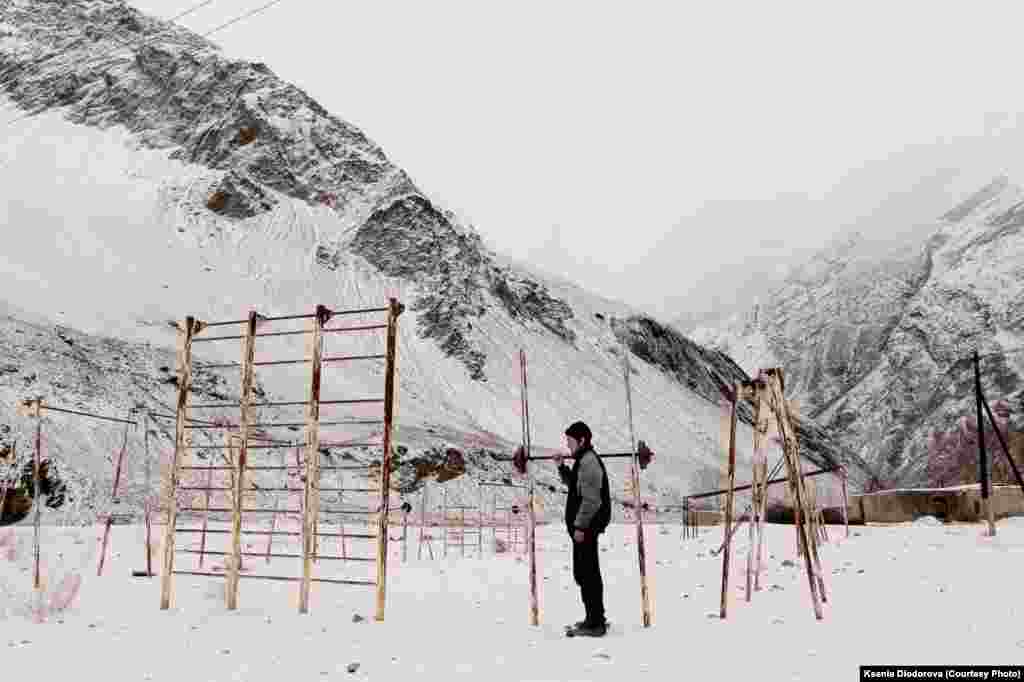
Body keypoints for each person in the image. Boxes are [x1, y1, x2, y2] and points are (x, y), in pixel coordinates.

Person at [555, 420, 612, 637]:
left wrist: (579, 526)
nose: (568, 446)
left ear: (582, 440)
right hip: (584, 528)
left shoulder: (589, 463)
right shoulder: (583, 461)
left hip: (586, 529)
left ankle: (595, 623)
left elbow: (591, 501)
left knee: (587, 573)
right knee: (585, 573)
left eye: (570, 442)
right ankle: (594, 617)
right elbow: (576, 487)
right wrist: (561, 467)